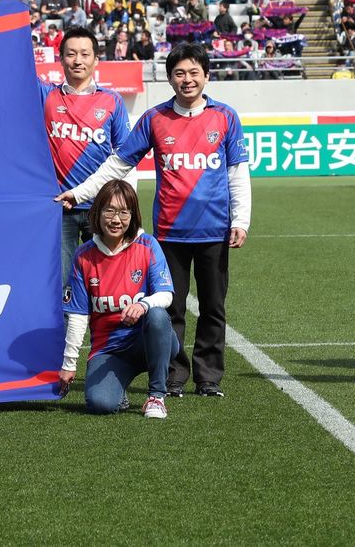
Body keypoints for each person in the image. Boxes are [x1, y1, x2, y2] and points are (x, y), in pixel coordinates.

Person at [55, 43, 251, 398]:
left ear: (207, 75)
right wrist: (79, 193)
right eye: (179, 73)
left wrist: (241, 220)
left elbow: (237, 172)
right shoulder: (155, 119)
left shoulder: (226, 117)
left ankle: (209, 377)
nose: (187, 80)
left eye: (194, 72)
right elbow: (118, 164)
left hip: (215, 230)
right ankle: (173, 375)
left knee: (213, 307)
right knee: (169, 307)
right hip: (169, 233)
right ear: (170, 79)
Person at [59, 180, 178, 418]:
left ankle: (156, 396)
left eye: (124, 212)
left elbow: (166, 295)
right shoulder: (84, 256)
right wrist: (69, 364)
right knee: (100, 404)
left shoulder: (147, 245)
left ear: (133, 216)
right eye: (109, 211)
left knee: (157, 315)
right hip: (109, 350)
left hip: (145, 342)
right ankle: (118, 389)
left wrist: (143, 305)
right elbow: (78, 315)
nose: (116, 219)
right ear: (97, 212)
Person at [38, 26, 130, 291]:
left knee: (108, 284)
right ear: (61, 59)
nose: (77, 60)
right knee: (60, 285)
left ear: (96, 59)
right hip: (59, 209)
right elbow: (16, 67)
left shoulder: (113, 101)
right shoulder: (46, 95)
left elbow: (125, 156)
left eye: (84, 54)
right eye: (71, 54)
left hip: (101, 208)